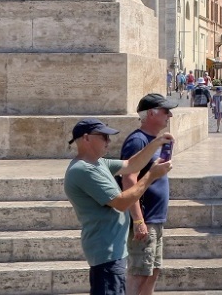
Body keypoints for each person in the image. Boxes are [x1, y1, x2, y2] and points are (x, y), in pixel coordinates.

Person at [64, 118, 174, 295]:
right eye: (104, 137)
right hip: (105, 252)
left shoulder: (98, 163)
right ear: (86, 138)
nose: (109, 141)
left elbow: (131, 165)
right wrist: (151, 176)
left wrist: (155, 144)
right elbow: (122, 202)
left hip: (113, 250)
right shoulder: (83, 170)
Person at [118, 94, 179, 295]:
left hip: (155, 219)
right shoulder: (138, 141)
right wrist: (138, 220)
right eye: (165, 111)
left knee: (152, 272)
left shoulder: (154, 140)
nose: (169, 115)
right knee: (139, 274)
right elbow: (128, 179)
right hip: (145, 219)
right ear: (151, 113)